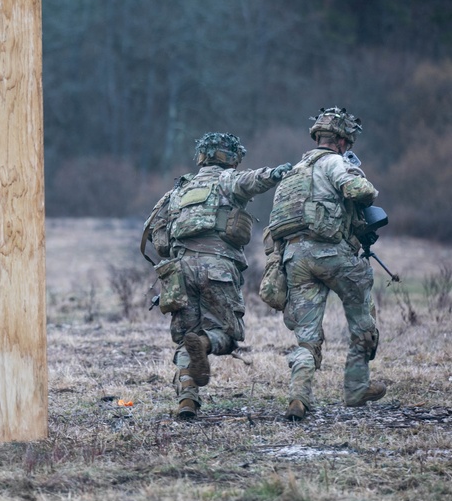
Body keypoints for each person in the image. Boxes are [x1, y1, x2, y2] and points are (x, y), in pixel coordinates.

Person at [144, 132, 291, 420]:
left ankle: (187, 398)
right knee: (227, 333)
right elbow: (253, 180)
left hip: (180, 271)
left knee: (185, 336)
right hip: (218, 268)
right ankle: (205, 345)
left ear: (201, 157)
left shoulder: (178, 191)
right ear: (232, 158)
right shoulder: (227, 180)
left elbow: (158, 239)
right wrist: (276, 173)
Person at [266, 107, 383, 421]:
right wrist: (368, 189)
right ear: (343, 141)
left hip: (295, 258)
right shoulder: (334, 162)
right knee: (361, 320)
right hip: (331, 254)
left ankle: (298, 399)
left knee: (307, 335)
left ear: (317, 136)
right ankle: (356, 388)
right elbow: (359, 191)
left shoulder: (294, 171)